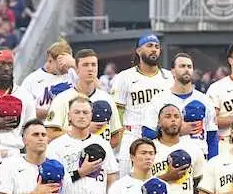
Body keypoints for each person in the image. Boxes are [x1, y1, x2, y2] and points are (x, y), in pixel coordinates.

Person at [110, 35, 172, 165]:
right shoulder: (124, 76)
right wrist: (118, 135)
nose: (154, 49)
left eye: (157, 47)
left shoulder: (169, 77)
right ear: (138, 51)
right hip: (132, 133)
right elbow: (117, 111)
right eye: (149, 46)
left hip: (160, 134)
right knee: (127, 174)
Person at [145, 51, 220, 158]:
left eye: (189, 66)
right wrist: (178, 130)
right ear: (173, 71)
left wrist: (213, 162)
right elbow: (147, 133)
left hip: (199, 156)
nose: (186, 69)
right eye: (182, 66)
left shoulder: (204, 100)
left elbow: (212, 136)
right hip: (168, 156)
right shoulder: (159, 99)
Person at [44, 48, 123, 150]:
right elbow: (50, 134)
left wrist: (101, 150)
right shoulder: (62, 99)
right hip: (70, 154)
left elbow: (117, 134)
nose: (90, 69)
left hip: (101, 155)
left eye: (93, 65)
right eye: (85, 65)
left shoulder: (107, 98)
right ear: (76, 69)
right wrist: (81, 131)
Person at [19, 39, 76, 119]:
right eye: (62, 64)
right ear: (50, 60)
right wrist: (55, 112)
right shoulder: (31, 80)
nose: (66, 68)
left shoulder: (73, 72)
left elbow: (94, 88)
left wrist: (74, 64)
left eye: (68, 62)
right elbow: (24, 111)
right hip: (44, 125)